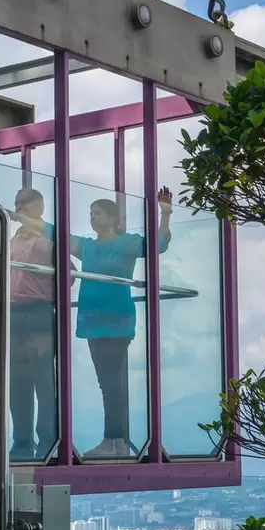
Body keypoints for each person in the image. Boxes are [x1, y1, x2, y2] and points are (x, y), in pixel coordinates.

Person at [71, 187, 173, 458]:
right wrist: (21, 220)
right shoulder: (87, 247)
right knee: (108, 382)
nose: (92, 217)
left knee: (111, 382)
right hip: (92, 321)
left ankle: (114, 440)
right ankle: (114, 440)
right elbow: (54, 236)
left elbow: (158, 245)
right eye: (90, 213)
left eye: (97, 213)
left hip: (116, 321)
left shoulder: (126, 243)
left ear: (112, 217)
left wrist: (165, 213)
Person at [6, 188, 57, 462]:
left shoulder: (49, 238)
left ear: (39, 205)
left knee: (43, 380)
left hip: (39, 312)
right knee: (18, 380)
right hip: (13, 313)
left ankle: (48, 441)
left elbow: (68, 274)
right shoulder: (12, 240)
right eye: (16, 204)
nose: (19, 208)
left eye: (24, 203)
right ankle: (22, 441)